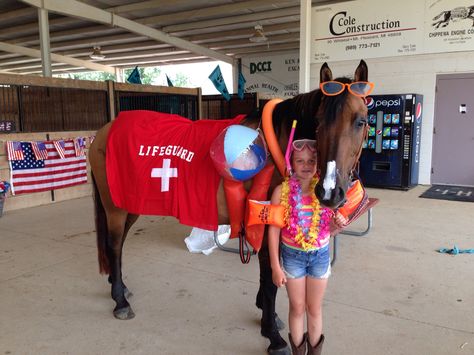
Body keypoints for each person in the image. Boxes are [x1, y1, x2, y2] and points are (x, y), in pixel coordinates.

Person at [268, 139, 345, 355]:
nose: (306, 165)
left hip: (319, 256)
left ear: (318, 163)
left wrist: (336, 225)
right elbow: (273, 231)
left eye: (311, 160)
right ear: (291, 162)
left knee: (314, 308)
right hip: (292, 257)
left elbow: (328, 231)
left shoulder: (324, 192)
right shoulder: (280, 193)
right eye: (300, 160)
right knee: (297, 307)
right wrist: (275, 266)